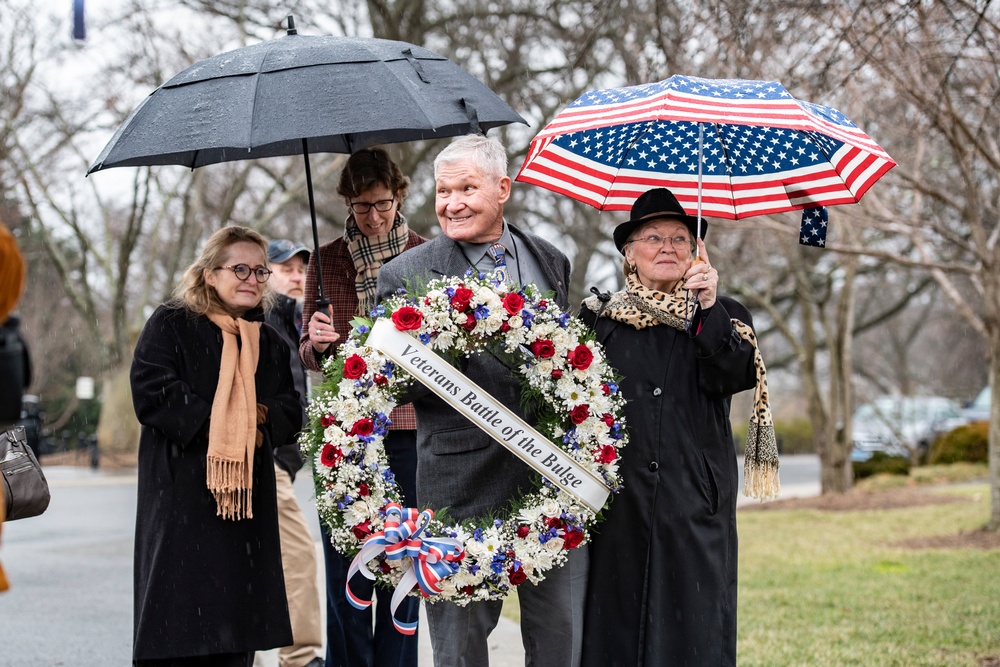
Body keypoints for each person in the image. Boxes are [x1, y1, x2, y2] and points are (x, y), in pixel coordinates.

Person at [374, 134, 587, 667]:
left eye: (467, 188)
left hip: (548, 483)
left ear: (502, 188)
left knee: (560, 639)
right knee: (460, 651)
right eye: (444, 192)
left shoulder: (550, 259)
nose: (452, 204)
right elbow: (393, 385)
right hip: (458, 487)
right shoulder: (405, 275)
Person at [578, 188, 777, 667]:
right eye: (652, 237)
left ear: (696, 252)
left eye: (679, 239)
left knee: (696, 624)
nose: (667, 247)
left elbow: (733, 374)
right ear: (629, 252)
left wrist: (706, 308)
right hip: (616, 504)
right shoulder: (598, 319)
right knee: (614, 625)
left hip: (694, 499)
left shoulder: (725, 316)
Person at [130, 226, 303, 667]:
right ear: (209, 273)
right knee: (177, 625)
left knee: (234, 630)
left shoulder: (269, 341)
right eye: (239, 268)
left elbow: (289, 411)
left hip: (243, 505)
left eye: (260, 271)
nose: (252, 279)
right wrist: (231, 421)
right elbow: (153, 391)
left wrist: (258, 420)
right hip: (179, 498)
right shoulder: (171, 322)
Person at [299, 146, 427, 667]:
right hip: (346, 434)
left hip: (410, 430)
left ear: (399, 196)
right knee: (349, 565)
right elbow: (306, 352)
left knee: (402, 562)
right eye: (360, 207)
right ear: (346, 204)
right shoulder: (325, 261)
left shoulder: (426, 253)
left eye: (382, 205)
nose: (373, 217)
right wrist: (321, 341)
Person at [258, 239, 324, 667]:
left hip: (282, 457)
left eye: (302, 268)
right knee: (297, 554)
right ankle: (300, 657)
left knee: (258, 557)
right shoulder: (267, 317)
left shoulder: (298, 319)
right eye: (285, 268)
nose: (297, 275)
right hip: (264, 457)